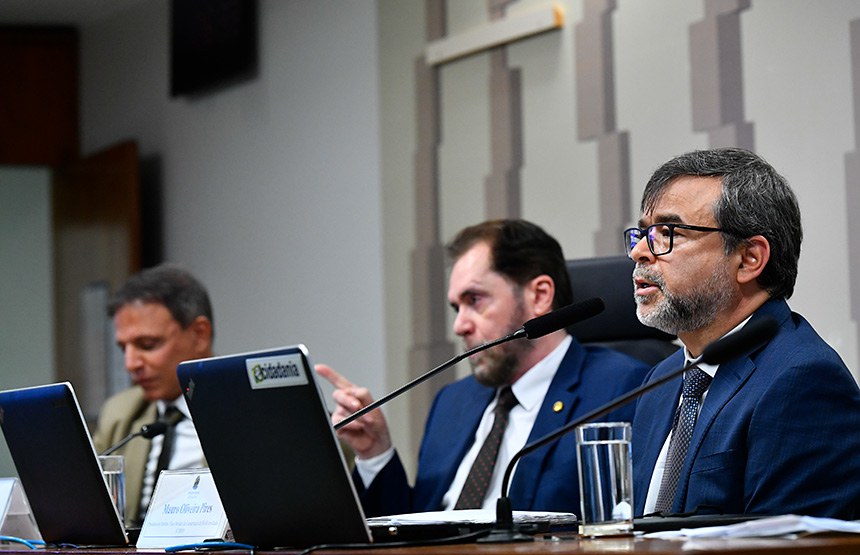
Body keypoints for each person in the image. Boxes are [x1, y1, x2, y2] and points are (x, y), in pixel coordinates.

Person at [317, 219, 650, 517]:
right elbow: (412, 527)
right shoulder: (452, 402)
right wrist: (375, 452)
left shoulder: (622, 389)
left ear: (539, 295)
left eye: (474, 300)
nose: (459, 325)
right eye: (455, 308)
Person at [625, 147, 860, 520]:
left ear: (750, 258)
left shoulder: (802, 379)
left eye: (667, 233)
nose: (639, 251)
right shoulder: (663, 378)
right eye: (642, 233)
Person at [92, 263, 214, 525]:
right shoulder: (120, 413)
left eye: (147, 345)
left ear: (199, 335)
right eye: (123, 348)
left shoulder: (251, 412)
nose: (130, 364)